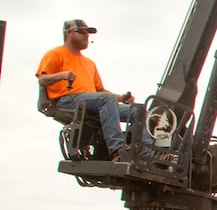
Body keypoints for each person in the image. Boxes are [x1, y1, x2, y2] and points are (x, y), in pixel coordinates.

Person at [36, 18, 143, 160]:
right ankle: (117, 149)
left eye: (88, 33)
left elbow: (99, 91)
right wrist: (62, 75)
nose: (86, 35)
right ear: (68, 33)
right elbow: (42, 79)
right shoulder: (55, 54)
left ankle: (143, 154)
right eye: (81, 32)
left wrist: (122, 98)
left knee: (138, 111)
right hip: (68, 100)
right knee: (107, 100)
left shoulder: (89, 63)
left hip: (92, 101)